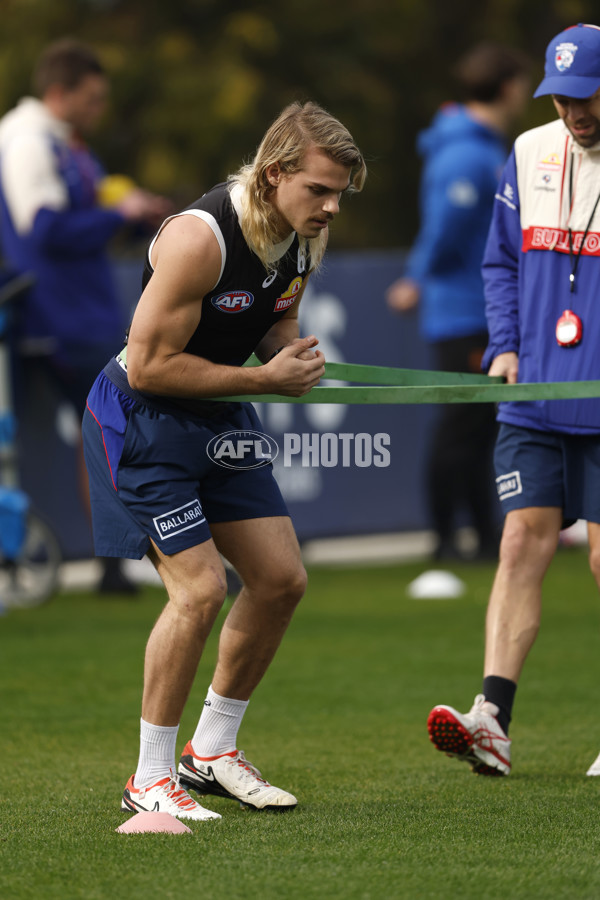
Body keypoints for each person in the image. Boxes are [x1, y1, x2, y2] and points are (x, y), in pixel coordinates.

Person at [82, 101, 366, 820]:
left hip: (220, 414)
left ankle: (210, 754)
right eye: (320, 190)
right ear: (275, 175)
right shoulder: (198, 239)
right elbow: (147, 367)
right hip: (141, 419)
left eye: (339, 194)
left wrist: (289, 356)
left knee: (279, 580)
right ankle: (149, 776)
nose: (331, 207)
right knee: (201, 589)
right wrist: (264, 380)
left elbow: (276, 315)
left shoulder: (303, 234)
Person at [426, 23, 600, 776]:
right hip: (531, 395)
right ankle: (492, 718)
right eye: (562, 98)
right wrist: (503, 344)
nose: (575, 112)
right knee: (519, 540)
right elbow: (500, 260)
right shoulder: (528, 151)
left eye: (588, 97)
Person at [0, 39, 170, 592]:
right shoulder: (26, 141)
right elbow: (43, 231)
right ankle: (121, 564)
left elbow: (87, 213)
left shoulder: (64, 143)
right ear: (58, 92)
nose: (100, 110)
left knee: (107, 428)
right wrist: (116, 213)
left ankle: (116, 565)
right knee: (111, 426)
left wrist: (134, 215)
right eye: (91, 99)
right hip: (55, 315)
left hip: (77, 311)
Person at [385, 43, 531, 561]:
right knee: (460, 426)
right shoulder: (469, 154)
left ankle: (485, 538)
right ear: (509, 87)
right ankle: (447, 538)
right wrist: (417, 278)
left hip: (478, 309)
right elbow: (445, 226)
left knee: (481, 426)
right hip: (463, 312)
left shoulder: (485, 147)